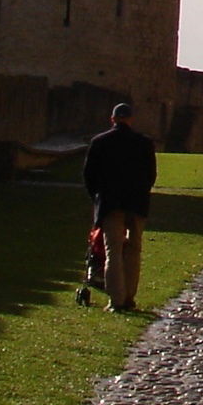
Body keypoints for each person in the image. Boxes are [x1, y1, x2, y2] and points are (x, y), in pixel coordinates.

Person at [81, 102, 156, 314]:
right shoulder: (144, 143)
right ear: (131, 119)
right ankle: (129, 296)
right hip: (137, 202)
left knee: (113, 251)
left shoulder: (100, 142)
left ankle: (116, 299)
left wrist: (97, 197)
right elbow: (151, 175)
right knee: (134, 249)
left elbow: (89, 176)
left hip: (110, 202)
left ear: (112, 119)